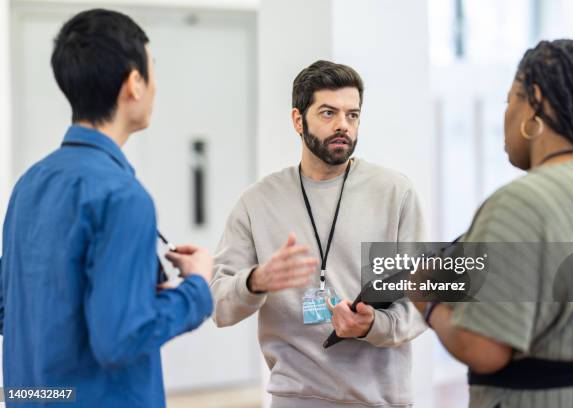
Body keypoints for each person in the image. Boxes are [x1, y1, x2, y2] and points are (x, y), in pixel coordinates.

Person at [0, 9, 214, 407]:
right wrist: (197, 288)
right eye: (153, 72)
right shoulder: (123, 197)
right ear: (134, 83)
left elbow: (8, 308)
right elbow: (121, 338)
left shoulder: (29, 185)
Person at [211, 60, 427, 407]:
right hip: (294, 397)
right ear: (298, 120)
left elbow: (421, 303)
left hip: (378, 400)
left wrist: (373, 324)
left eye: (352, 115)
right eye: (328, 113)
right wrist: (256, 281)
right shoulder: (257, 202)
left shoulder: (393, 193)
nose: (343, 125)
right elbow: (219, 305)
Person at [412, 39, 573, 407]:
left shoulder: (522, 203)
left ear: (534, 102)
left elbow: (484, 348)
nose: (504, 115)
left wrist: (425, 298)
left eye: (509, 101)